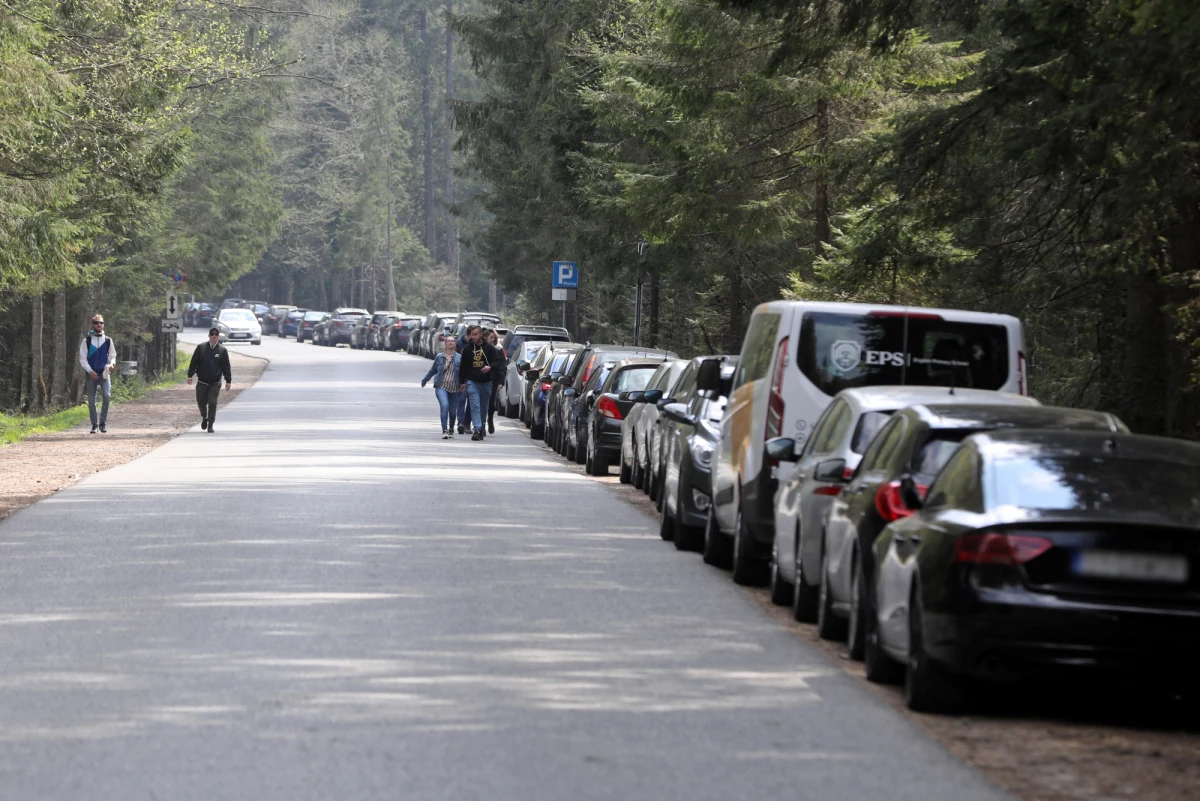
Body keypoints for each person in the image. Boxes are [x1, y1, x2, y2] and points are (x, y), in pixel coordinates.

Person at [459, 324, 502, 441]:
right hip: (472, 382)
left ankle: (482, 425)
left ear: (481, 335)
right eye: (471, 335)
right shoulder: (468, 350)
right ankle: (477, 429)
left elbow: (498, 363)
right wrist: (462, 382)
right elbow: (463, 367)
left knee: (483, 408)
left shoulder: (489, 348)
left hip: (486, 382)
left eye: (475, 334)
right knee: (475, 405)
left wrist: (490, 367)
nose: (473, 337)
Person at [186, 327, 232, 433]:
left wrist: (228, 380)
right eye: (212, 334)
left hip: (215, 382)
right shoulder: (201, 348)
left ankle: (210, 424)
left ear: (218, 336)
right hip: (202, 381)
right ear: (209, 336)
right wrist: (190, 375)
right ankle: (204, 417)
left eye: (216, 334)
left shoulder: (222, 350)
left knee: (212, 403)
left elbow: (226, 366)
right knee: (201, 402)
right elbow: (194, 362)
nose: (214, 336)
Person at [78, 313, 117, 433]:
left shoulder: (108, 340)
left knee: (107, 395)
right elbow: (82, 359)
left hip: (104, 373)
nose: (99, 324)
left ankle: (103, 423)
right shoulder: (87, 340)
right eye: (96, 323)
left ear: (103, 325)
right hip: (92, 374)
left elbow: (112, 355)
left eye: (101, 322)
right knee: (91, 400)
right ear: (93, 325)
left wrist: (111, 364)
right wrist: (90, 371)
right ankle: (94, 425)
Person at [421, 336, 464, 438]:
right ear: (445, 343)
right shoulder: (439, 357)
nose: (450, 343)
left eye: (452, 341)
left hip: (455, 388)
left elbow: (464, 373)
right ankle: (444, 430)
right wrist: (425, 380)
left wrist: (464, 383)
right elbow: (433, 370)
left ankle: (451, 428)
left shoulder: (459, 358)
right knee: (444, 406)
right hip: (441, 386)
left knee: (453, 411)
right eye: (448, 341)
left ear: (455, 344)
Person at [486, 328, 509, 435]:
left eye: (494, 338)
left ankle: (489, 419)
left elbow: (502, 366)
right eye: (490, 337)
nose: (492, 339)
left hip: (493, 379)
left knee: (491, 403)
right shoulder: (478, 348)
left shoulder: (498, 348)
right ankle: (480, 424)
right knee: (480, 403)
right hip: (479, 379)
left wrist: (501, 381)